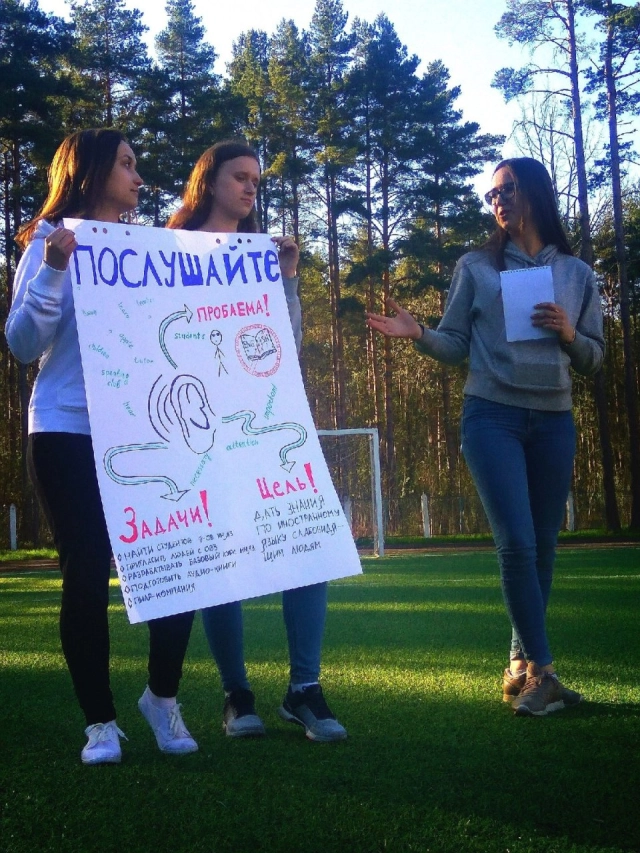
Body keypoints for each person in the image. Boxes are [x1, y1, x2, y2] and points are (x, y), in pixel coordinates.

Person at [366, 157, 604, 716]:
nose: (498, 201)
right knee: (516, 543)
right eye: (491, 194)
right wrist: (419, 333)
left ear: (535, 192)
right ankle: (545, 672)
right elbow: (455, 344)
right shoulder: (476, 266)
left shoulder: (576, 274)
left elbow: (593, 358)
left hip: (554, 421)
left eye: (508, 189)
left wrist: (569, 334)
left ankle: (519, 665)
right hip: (491, 416)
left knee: (542, 546)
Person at [6, 129, 198, 764]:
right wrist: (53, 269)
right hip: (64, 430)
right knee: (85, 574)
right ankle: (100, 724)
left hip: (146, 431)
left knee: (176, 567)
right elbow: (23, 346)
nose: (139, 178)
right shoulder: (48, 241)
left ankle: (162, 699)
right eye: (126, 164)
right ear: (89, 170)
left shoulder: (146, 251)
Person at [167, 140, 347, 742]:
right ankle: (236, 694)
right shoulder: (168, 251)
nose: (250, 188)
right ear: (208, 181)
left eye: (256, 180)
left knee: (307, 537)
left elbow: (284, 345)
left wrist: (288, 279)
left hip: (266, 417)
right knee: (220, 554)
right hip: (199, 425)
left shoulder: (260, 255)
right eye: (240, 177)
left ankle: (304, 689)